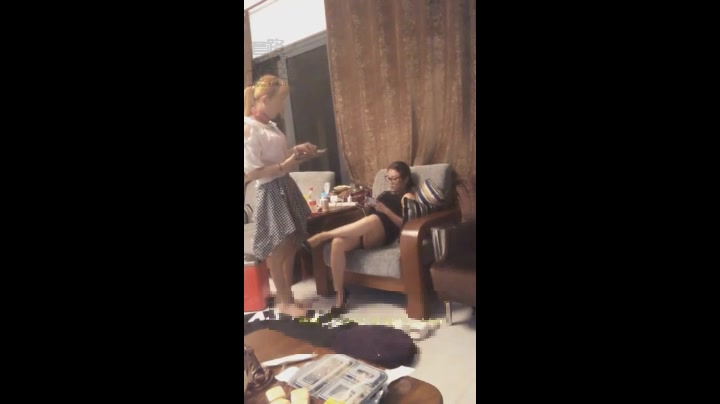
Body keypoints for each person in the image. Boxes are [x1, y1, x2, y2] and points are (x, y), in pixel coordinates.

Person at [244, 74, 320, 317]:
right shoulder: (249, 128)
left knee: (293, 241)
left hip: (285, 185)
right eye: (279, 101)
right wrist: (284, 165)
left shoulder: (270, 125)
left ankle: (288, 296)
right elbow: (252, 172)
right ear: (265, 99)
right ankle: (283, 302)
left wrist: (296, 151)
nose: (282, 107)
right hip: (270, 191)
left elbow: (277, 155)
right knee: (279, 247)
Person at [303, 161, 416, 312]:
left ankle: (323, 236)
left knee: (373, 220)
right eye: (388, 178)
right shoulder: (385, 194)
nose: (391, 182)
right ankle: (340, 296)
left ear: (405, 179)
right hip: (366, 229)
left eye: (394, 179)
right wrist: (366, 203)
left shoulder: (407, 196)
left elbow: (406, 224)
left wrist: (385, 210)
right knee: (337, 243)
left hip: (381, 234)